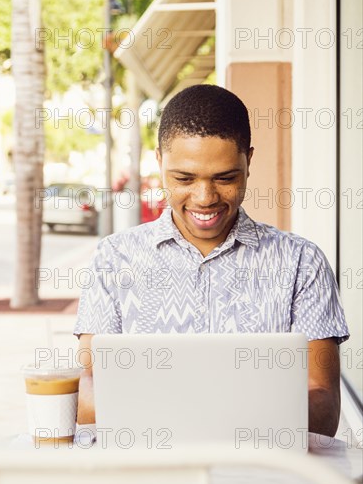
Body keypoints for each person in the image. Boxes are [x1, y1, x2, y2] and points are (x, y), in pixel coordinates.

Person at [74, 84, 349, 438]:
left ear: (248, 162)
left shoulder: (301, 263)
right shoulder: (114, 259)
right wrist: (227, 414)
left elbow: (324, 405)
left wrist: (179, 413)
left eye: (225, 178)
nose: (205, 198)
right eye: (184, 178)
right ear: (159, 163)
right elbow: (87, 394)